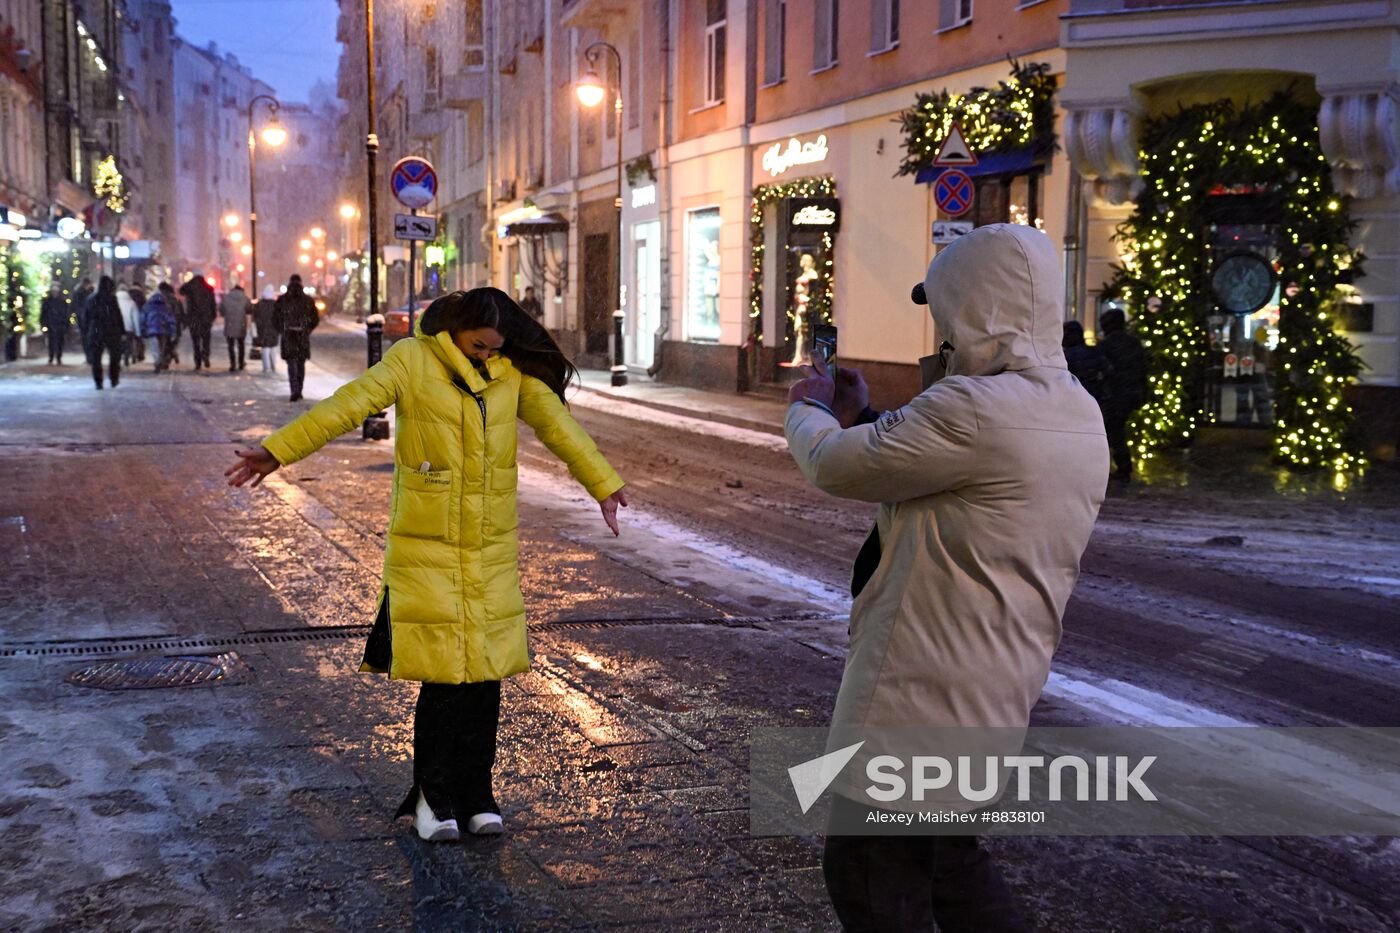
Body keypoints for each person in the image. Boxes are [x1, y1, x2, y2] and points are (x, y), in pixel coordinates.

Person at [784, 225, 1107, 932]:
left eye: (950, 311)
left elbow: (839, 464)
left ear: (980, 309)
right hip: (995, 683)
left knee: (871, 871)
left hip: (918, 689)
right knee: (950, 862)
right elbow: (937, 471)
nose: (944, 328)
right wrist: (869, 415)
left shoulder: (974, 408)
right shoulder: (1077, 411)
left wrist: (808, 407)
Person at [225, 286, 629, 842]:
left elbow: (561, 430)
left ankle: (476, 794)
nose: (487, 355)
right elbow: (347, 405)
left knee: (485, 677)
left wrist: (603, 485)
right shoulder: (412, 360)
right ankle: (431, 799)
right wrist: (278, 449)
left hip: (490, 549)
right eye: (479, 345)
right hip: (428, 548)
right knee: (445, 678)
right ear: (456, 330)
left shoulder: (509, 376)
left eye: (494, 348)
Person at [1097, 307, 1148, 482]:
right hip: (1132, 391)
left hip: (1117, 393)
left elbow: (1106, 371)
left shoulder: (1106, 345)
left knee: (1114, 430)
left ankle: (1123, 466)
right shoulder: (1133, 343)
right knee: (1117, 429)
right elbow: (1143, 368)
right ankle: (1122, 465)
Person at [272, 275, 318, 401]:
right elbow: (315, 318)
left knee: (291, 363)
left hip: (288, 336)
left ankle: (294, 389)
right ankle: (299, 389)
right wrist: (307, 329)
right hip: (302, 336)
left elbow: (275, 318)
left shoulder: (283, 300)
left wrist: (282, 329)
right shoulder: (307, 300)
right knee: (300, 363)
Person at [80, 276, 126, 390]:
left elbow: (85, 316)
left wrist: (85, 331)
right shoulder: (112, 299)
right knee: (114, 357)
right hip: (111, 330)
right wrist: (122, 331)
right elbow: (118, 316)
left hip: (95, 330)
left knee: (96, 358)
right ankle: (114, 379)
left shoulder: (91, 299)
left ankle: (98, 382)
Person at [1062, 320, 1113, 406]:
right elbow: (1109, 371)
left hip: (1074, 401)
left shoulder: (1065, 357)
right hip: (1096, 399)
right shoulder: (1095, 352)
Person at [178, 272, 218, 371]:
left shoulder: (190, 288)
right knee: (206, 339)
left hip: (193, 318)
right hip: (205, 318)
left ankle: (198, 361)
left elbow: (181, 290)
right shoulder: (208, 289)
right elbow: (213, 304)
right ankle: (205, 355)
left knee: (195, 341)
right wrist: (213, 315)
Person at [142, 283, 180, 372]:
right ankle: (165, 360)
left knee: (155, 346)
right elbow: (172, 317)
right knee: (165, 346)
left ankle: (158, 361)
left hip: (152, 329)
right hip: (165, 329)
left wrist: (143, 328)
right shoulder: (167, 305)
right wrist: (174, 329)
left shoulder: (148, 306)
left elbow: (143, 317)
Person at [221, 282, 252, 372]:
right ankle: (241, 363)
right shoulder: (244, 298)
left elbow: (222, 311)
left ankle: (233, 364)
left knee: (230, 345)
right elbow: (249, 310)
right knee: (241, 344)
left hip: (230, 324)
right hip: (241, 325)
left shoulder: (226, 298)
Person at [253, 285, 280, 376]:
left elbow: (255, 317)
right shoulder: (276, 304)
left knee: (265, 348)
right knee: (273, 348)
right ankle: (273, 366)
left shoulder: (259, 304)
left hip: (263, 329)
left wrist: (259, 325)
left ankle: (266, 367)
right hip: (274, 330)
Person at [40, 283, 71, 365]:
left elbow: (66, 314)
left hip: (59, 325)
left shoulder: (62, 302)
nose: (55, 293)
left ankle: (58, 357)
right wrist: (44, 323)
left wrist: (66, 325)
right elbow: (44, 313)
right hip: (51, 324)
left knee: (60, 342)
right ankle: (51, 357)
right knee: (51, 342)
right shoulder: (47, 301)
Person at [116, 282, 144, 365]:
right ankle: (127, 357)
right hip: (129, 327)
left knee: (118, 344)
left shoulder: (113, 301)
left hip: (116, 327)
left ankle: (119, 357)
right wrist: (138, 332)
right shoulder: (131, 303)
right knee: (129, 344)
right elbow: (136, 318)